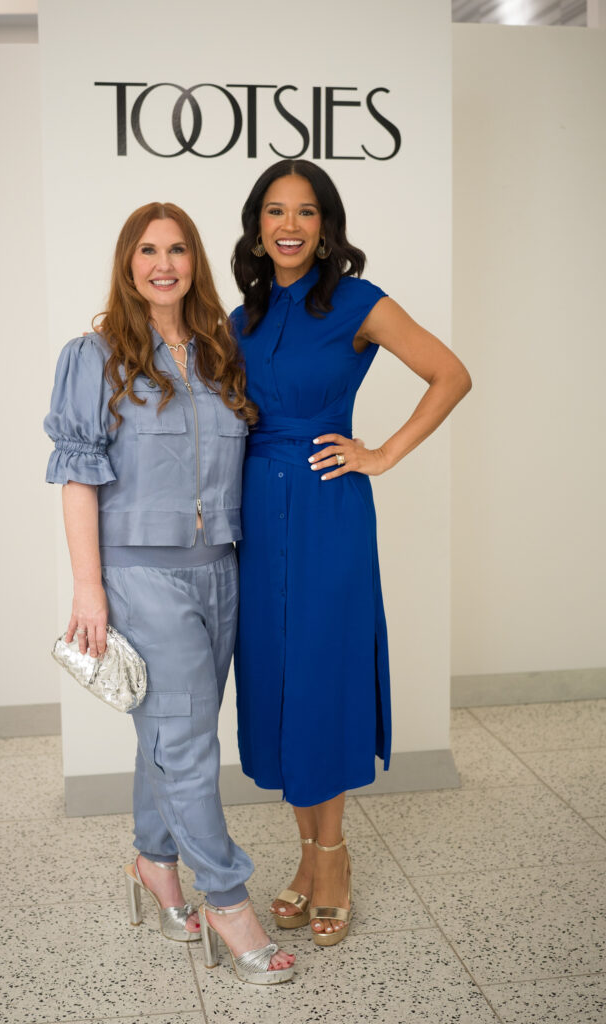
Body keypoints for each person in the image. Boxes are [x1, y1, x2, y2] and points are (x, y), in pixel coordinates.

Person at [44, 202, 295, 984]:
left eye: (178, 249)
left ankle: (154, 864)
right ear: (127, 263)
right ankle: (228, 902)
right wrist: (90, 589)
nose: (164, 264)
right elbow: (79, 477)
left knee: (170, 733)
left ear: (196, 262)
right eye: (148, 250)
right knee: (188, 743)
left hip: (221, 569)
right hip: (141, 576)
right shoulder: (95, 356)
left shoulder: (223, 353)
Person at [230, 160, 471, 948]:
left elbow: (450, 373)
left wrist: (384, 452)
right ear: (257, 226)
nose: (289, 225)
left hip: (328, 506)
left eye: (305, 211)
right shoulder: (244, 316)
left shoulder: (360, 303)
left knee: (323, 675)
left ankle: (332, 858)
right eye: (275, 211)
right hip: (257, 513)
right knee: (277, 680)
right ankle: (304, 857)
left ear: (326, 226)